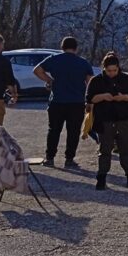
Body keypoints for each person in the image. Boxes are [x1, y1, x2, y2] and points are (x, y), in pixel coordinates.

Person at [33, 36, 93, 169]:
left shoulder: (54, 59)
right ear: (76, 48)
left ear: (62, 47)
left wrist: (49, 80)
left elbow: (37, 70)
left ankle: (50, 158)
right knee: (73, 132)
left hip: (57, 101)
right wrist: (89, 100)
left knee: (54, 130)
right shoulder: (83, 62)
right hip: (76, 102)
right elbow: (90, 82)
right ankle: (69, 159)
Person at [86, 53, 128, 190]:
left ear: (118, 68)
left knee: (126, 149)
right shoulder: (96, 81)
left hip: (124, 119)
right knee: (104, 150)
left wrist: (124, 97)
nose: (111, 73)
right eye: (109, 70)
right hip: (104, 120)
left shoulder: (126, 79)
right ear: (103, 68)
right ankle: (101, 177)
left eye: (114, 70)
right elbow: (89, 98)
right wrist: (103, 96)